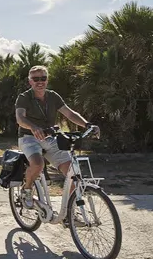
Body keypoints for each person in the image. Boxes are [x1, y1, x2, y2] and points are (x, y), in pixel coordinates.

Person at [14, 65, 98, 211]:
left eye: (43, 78)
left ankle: (69, 212)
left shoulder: (53, 96)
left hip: (50, 138)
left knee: (72, 172)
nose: (40, 82)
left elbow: (69, 113)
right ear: (30, 81)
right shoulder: (24, 97)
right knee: (38, 164)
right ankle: (27, 189)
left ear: (47, 80)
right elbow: (20, 118)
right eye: (36, 79)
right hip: (29, 137)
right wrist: (33, 127)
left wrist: (87, 124)